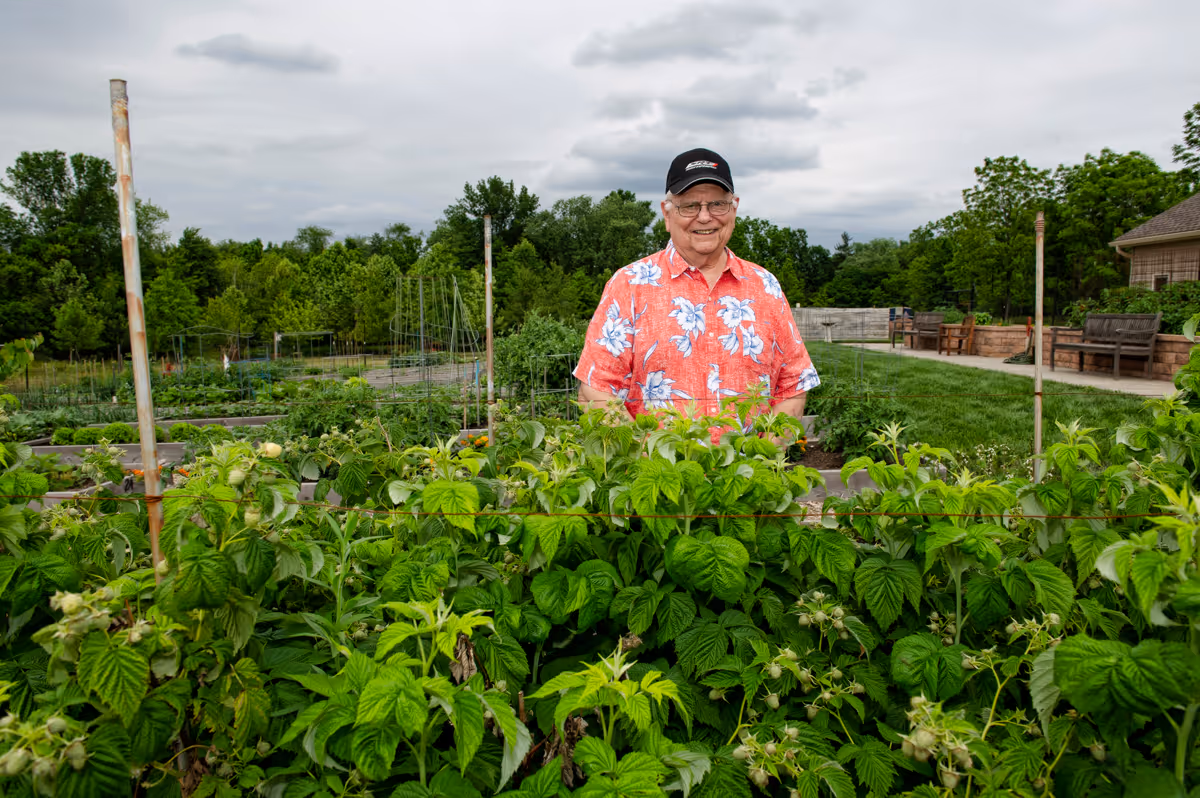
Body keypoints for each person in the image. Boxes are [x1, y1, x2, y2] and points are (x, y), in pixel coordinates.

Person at [573, 148, 819, 441]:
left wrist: (763, 460)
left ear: (734, 209)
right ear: (667, 214)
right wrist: (644, 459)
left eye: (717, 204)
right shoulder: (630, 284)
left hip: (748, 482)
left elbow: (794, 386)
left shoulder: (765, 286)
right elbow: (596, 389)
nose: (705, 217)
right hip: (655, 478)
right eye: (689, 206)